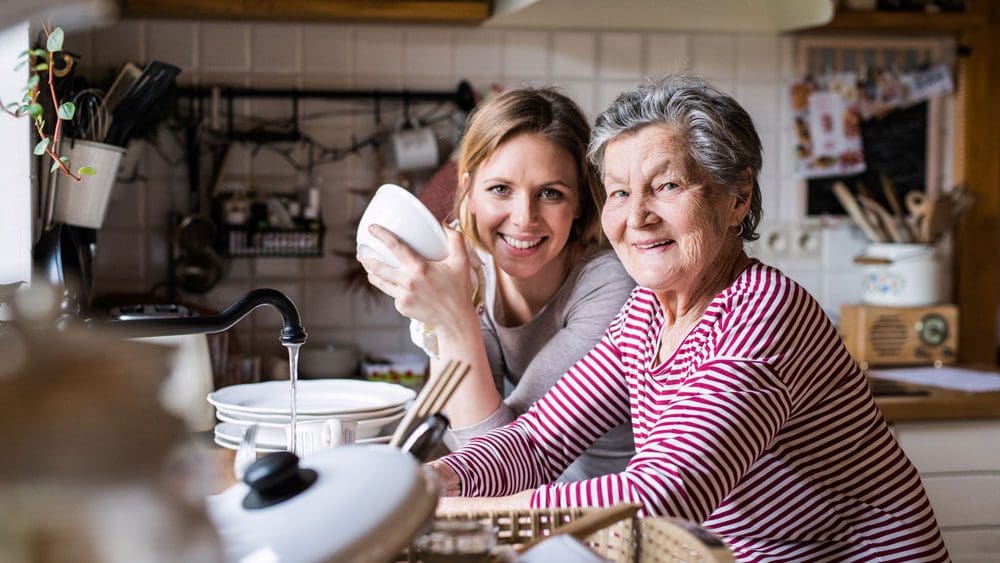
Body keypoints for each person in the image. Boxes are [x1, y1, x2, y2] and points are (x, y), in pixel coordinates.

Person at [428, 75, 948, 562]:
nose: (636, 218)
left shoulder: (765, 312)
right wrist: (432, 483)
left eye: (668, 186)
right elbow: (540, 439)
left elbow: (660, 495)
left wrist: (457, 516)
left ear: (737, 198)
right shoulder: (646, 314)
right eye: (620, 192)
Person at [359, 87, 636, 480]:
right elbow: (463, 443)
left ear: (580, 205)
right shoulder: (473, 266)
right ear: (469, 191)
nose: (524, 217)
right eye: (500, 189)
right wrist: (438, 320)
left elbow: (498, 459)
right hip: (533, 505)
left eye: (551, 193)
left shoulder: (610, 287)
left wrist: (452, 317)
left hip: (612, 512)